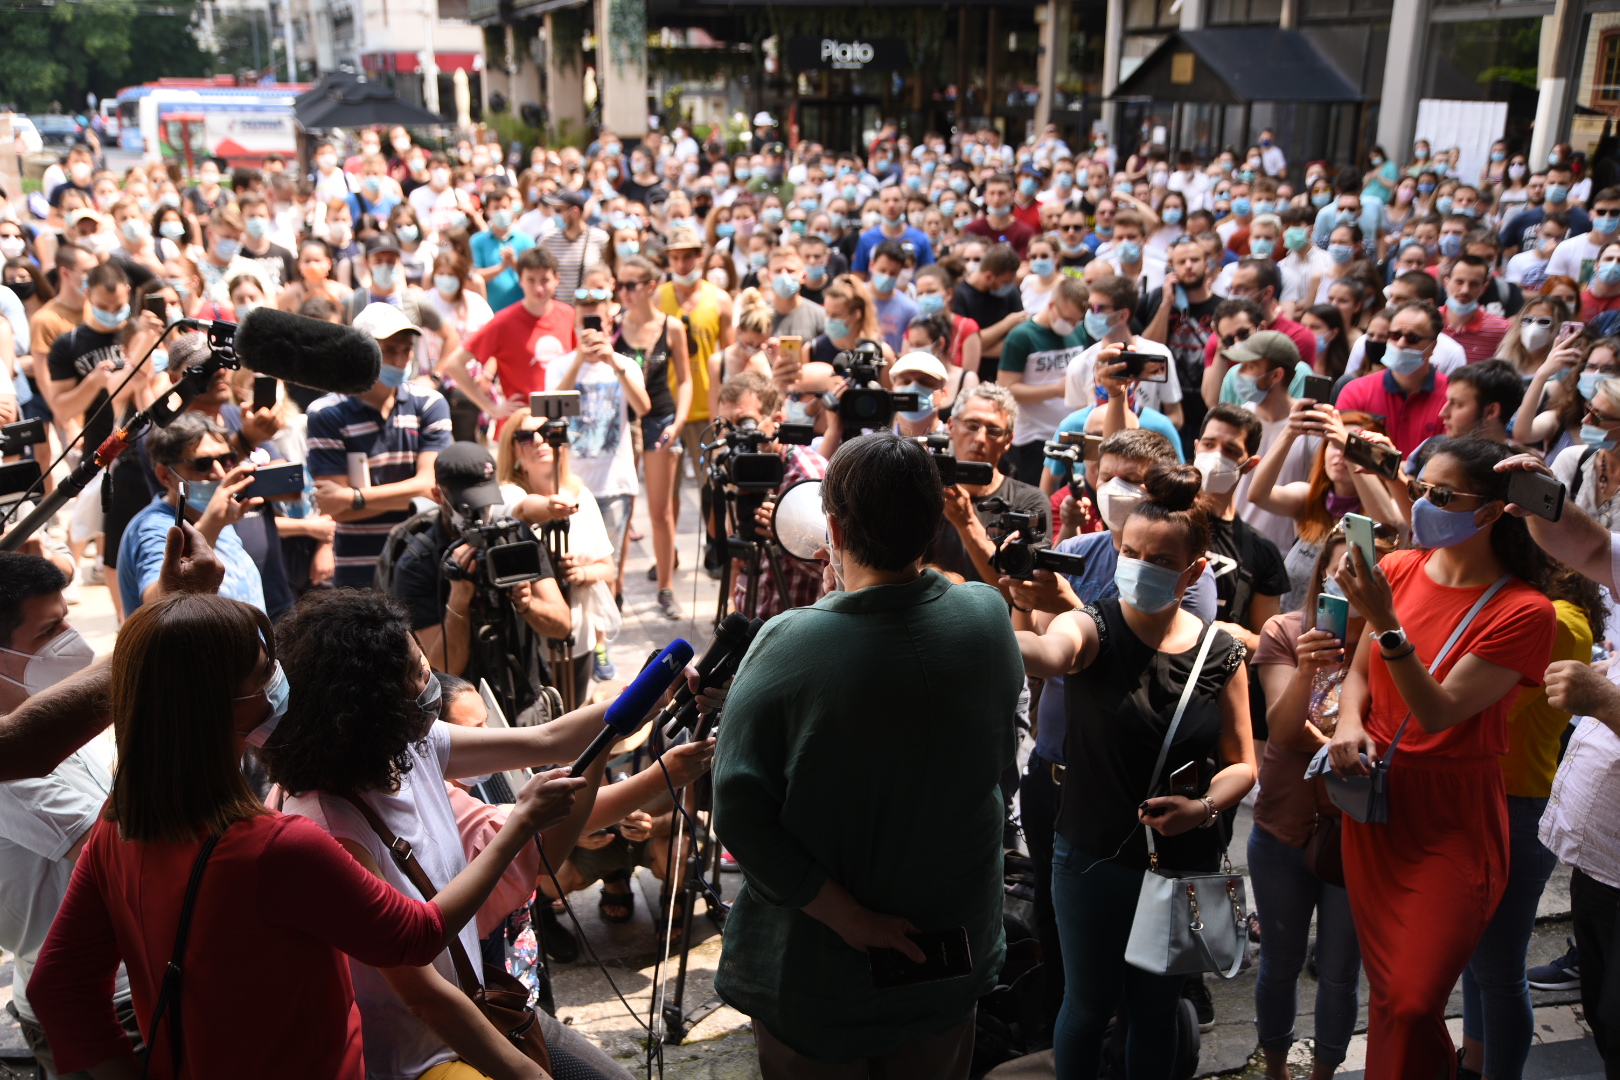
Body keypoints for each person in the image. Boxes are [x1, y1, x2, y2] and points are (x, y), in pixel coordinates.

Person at [27, 587, 583, 1079]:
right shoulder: (278, 846)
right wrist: (521, 825)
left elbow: (57, 988)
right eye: (265, 666)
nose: (280, 677)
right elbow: (415, 937)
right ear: (227, 705)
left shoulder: (116, 829)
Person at [713, 431, 1023, 1078]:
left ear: (833, 528)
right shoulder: (987, 616)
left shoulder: (790, 642)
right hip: (947, 952)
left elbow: (740, 815)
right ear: (935, 519)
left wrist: (850, 918)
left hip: (822, 971)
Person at [261, 588, 634, 1080]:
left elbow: (548, 738)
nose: (429, 682)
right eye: (417, 674)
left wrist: (653, 692)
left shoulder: (409, 746)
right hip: (417, 1058)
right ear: (370, 705)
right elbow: (421, 993)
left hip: (479, 1008)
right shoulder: (330, 827)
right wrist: (528, 1075)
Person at [1328, 437, 1558, 1078]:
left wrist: (1386, 622)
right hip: (1377, 807)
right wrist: (1349, 723)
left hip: (1453, 819)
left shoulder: (1525, 612)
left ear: (1491, 512)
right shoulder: (1400, 569)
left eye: (1441, 495)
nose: (1422, 504)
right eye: (1420, 485)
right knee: (1392, 998)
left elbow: (1437, 711)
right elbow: (1360, 672)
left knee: (1413, 996)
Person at [1017, 462, 1255, 1077]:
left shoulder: (1222, 650)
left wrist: (1201, 809)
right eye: (1130, 551)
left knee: (1155, 1011)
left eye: (1158, 559)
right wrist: (992, 610)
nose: (1139, 567)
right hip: (1090, 858)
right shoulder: (1091, 625)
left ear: (1194, 570)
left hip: (1181, 864)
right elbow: (1046, 652)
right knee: (1087, 1007)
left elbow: (1242, 765)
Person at [1249, 530, 1376, 1080]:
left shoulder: (1390, 640)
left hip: (1357, 828)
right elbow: (1281, 728)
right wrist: (1306, 668)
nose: (1345, 577)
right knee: (1277, 964)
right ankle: (1275, 1069)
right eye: (1338, 565)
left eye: (1362, 570)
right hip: (1284, 822)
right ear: (1322, 569)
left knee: (1340, 971)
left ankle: (1324, 1074)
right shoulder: (1285, 630)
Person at [0, 551, 120, 1077]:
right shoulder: (10, 765)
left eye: (67, 617)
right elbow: (122, 848)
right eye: (51, 632)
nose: (71, 638)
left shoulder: (41, 707)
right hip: (105, 1002)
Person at [308, 304, 453, 587]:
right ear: (361, 351)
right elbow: (334, 507)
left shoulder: (430, 404)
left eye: (406, 349)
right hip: (358, 568)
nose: (400, 360)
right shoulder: (325, 412)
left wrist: (355, 498)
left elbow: (428, 489)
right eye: (389, 350)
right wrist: (404, 494)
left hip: (421, 560)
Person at [496, 410, 623, 689]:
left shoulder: (580, 495)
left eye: (548, 432)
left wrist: (582, 573)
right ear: (513, 448)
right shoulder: (507, 494)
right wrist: (548, 509)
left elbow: (608, 568)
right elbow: (521, 509)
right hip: (529, 643)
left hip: (580, 637)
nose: (540, 440)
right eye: (527, 436)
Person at [546, 273, 648, 613]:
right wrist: (578, 359)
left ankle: (605, 632)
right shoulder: (560, 366)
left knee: (609, 565)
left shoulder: (625, 364)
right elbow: (548, 409)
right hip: (572, 486)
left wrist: (612, 362)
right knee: (574, 564)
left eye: (598, 320)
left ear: (609, 321)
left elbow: (643, 407)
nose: (591, 329)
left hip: (615, 484)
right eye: (584, 320)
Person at [616, 252, 694, 619]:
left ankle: (666, 587)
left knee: (661, 512)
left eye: (630, 285)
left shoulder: (672, 326)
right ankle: (614, 588)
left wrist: (679, 421)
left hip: (660, 418)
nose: (624, 292)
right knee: (621, 507)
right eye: (620, 285)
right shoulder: (614, 325)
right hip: (620, 420)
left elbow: (687, 379)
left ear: (650, 286)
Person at [714, 371, 828, 621]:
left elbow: (838, 569)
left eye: (745, 423)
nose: (736, 437)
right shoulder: (738, 468)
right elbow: (734, 553)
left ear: (777, 420)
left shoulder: (808, 476)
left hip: (793, 630)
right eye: (727, 427)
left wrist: (788, 536)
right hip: (752, 620)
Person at [927, 382, 1051, 584]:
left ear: (1008, 440)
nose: (980, 438)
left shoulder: (1028, 501)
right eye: (971, 426)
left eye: (993, 430)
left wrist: (966, 522)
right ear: (951, 426)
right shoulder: (924, 492)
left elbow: (1021, 591)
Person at [442, 246, 578, 419]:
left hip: (561, 419)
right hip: (520, 425)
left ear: (557, 279)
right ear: (520, 280)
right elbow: (454, 364)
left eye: (545, 280)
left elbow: (576, 362)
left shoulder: (568, 314)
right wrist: (492, 408)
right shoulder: (504, 321)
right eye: (531, 280)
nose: (539, 288)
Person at [997, 274, 1089, 484]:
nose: (1072, 325)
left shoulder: (1078, 332)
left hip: (1069, 434)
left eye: (1077, 320)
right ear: (1051, 305)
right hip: (1033, 438)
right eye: (1067, 319)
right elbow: (1007, 389)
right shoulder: (1022, 336)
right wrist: (1055, 390)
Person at [1140, 236, 1222, 456]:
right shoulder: (1158, 301)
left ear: (1207, 265)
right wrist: (1166, 304)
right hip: (1166, 411)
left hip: (1205, 413)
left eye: (1194, 259)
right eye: (1181, 261)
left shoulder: (1222, 307)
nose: (1188, 266)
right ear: (1172, 269)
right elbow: (1148, 349)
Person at [1335, 302, 1450, 455]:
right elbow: (1342, 450)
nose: (1401, 344)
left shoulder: (1451, 396)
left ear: (1433, 346)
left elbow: (1447, 460)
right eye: (1395, 335)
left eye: (1413, 338)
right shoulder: (1356, 390)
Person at [953, 242, 1028, 383]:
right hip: (974, 379)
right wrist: (1007, 324)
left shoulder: (1010, 291)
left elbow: (1020, 342)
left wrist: (980, 347)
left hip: (1005, 377)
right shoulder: (960, 296)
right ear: (989, 277)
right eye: (1006, 281)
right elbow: (963, 345)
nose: (1010, 285)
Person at [851, 183, 936, 274]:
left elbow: (929, 275)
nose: (891, 205)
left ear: (904, 203)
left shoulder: (921, 238)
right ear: (880, 204)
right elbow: (858, 277)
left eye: (896, 200)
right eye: (886, 200)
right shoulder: (866, 239)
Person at [1442, 254, 1513, 363]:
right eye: (1459, 282)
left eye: (1474, 284)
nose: (1465, 290)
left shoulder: (1502, 329)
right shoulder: (1426, 322)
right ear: (1446, 283)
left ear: (1484, 288)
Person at [539, 189, 608, 298]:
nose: (554, 214)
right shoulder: (547, 240)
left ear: (575, 211)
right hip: (558, 309)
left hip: (588, 308)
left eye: (558, 210)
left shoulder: (601, 238)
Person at [963, 173, 1037, 257]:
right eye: (992, 193)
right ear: (985, 196)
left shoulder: (1024, 232)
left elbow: (1025, 264)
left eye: (1001, 193)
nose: (996, 199)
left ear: (1013, 196)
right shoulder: (973, 229)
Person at [867, 239, 920, 354]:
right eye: (882, 270)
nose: (887, 276)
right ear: (871, 265)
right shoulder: (854, 296)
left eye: (893, 273)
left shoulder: (909, 309)